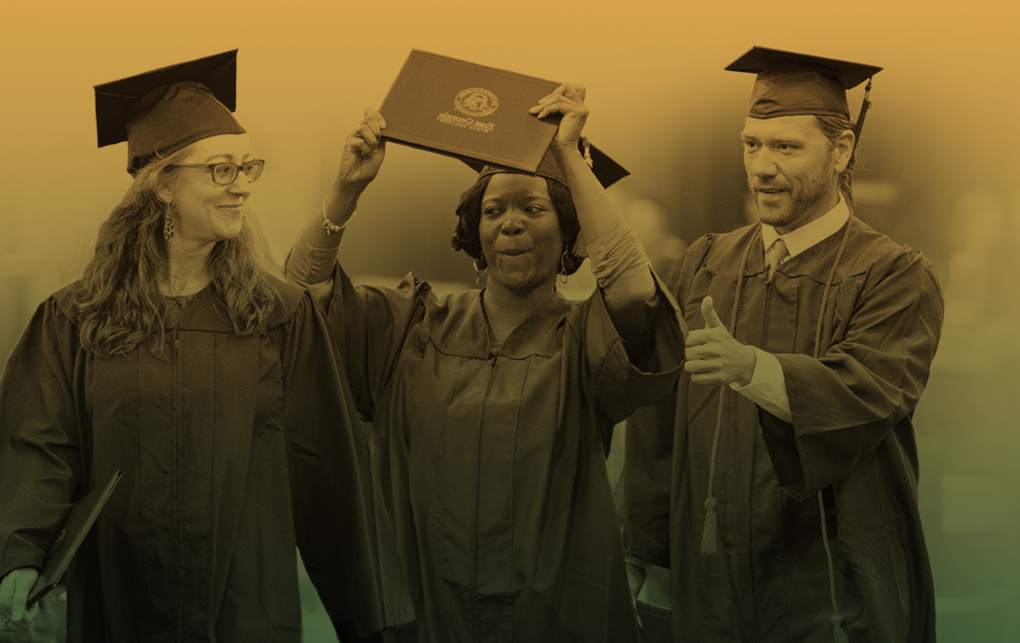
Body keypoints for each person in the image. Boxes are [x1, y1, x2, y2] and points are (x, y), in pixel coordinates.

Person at [0, 51, 411, 641]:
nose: (241, 186)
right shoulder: (76, 318)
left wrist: (368, 618)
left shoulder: (277, 316)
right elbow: (39, 447)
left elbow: (328, 469)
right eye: (220, 170)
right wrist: (19, 552)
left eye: (249, 168)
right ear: (163, 185)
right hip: (121, 599)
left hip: (245, 606)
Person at [285, 84, 686, 642]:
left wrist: (570, 157)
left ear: (570, 231)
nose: (511, 223)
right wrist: (346, 189)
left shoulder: (583, 338)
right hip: (426, 615)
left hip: (550, 619)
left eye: (534, 208)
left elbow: (636, 296)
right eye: (494, 210)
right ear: (474, 230)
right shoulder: (411, 327)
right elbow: (303, 296)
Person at [621, 47, 945, 642]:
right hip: (712, 582)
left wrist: (753, 368)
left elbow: (868, 392)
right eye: (751, 145)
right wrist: (645, 549)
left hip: (831, 586)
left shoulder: (894, 274)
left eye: (785, 147)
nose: (761, 166)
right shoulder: (708, 260)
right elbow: (659, 423)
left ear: (841, 150)